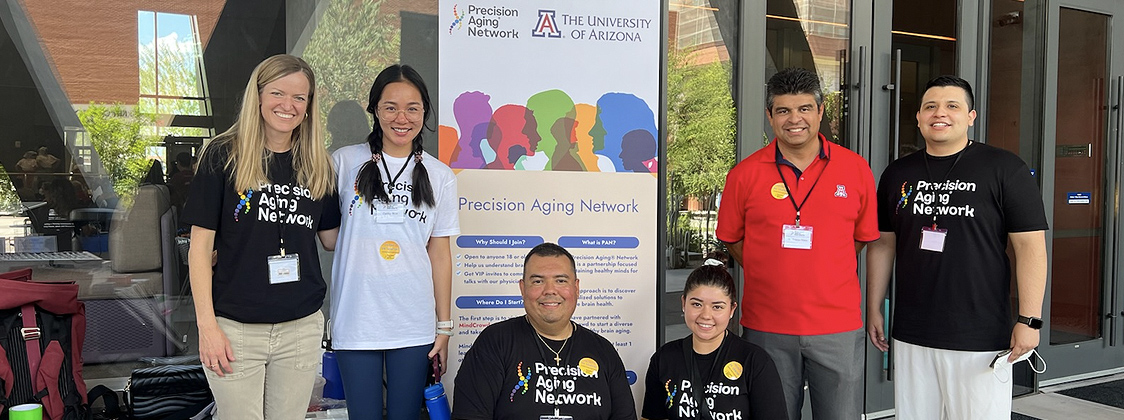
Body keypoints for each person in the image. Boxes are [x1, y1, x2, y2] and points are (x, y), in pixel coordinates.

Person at [866, 75, 1048, 419]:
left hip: (979, 335)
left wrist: (1030, 320)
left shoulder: (1005, 168)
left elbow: (1030, 247)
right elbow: (883, 244)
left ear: (971, 116)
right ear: (918, 117)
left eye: (953, 105)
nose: (940, 113)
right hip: (912, 332)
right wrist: (874, 306)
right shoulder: (897, 173)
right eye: (930, 106)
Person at [714, 67, 878, 420]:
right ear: (770, 116)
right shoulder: (744, 174)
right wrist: (765, 266)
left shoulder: (856, 170)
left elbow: (861, 239)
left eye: (805, 108)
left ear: (820, 112)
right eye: (784, 110)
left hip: (837, 328)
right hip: (767, 327)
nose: (795, 120)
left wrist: (827, 267)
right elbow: (731, 238)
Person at [182, 54, 340, 420]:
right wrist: (207, 327)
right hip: (235, 329)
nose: (288, 105)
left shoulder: (318, 163)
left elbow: (331, 238)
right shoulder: (223, 155)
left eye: (300, 98)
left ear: (309, 105)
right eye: (278, 93)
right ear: (258, 96)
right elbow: (200, 248)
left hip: (300, 328)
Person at [329, 64, 460, 420]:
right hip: (356, 319)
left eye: (412, 108)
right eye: (390, 107)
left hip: (413, 323)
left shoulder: (440, 176)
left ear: (424, 113)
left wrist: (443, 327)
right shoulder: (343, 163)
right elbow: (324, 236)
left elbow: (440, 253)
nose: (402, 118)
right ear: (374, 110)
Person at [452, 242, 636, 420]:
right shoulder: (495, 342)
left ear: (576, 288)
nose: (550, 290)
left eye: (561, 280)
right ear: (523, 288)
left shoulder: (603, 351)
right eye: (538, 281)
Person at [641, 260, 787, 420]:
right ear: (683, 303)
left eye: (717, 307)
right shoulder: (665, 358)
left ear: (732, 309)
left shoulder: (755, 361)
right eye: (697, 304)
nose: (705, 315)